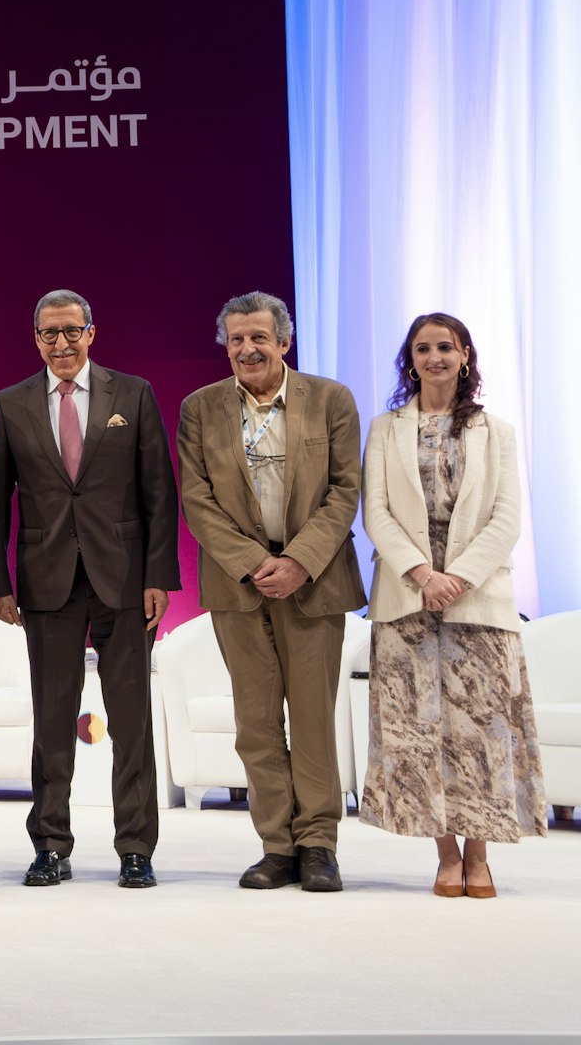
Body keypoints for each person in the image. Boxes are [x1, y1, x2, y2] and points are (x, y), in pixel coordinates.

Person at [0, 290, 180, 889]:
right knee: (51, 719)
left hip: (124, 580)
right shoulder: (10, 403)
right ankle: (50, 845)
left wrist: (158, 578)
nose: (61, 344)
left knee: (131, 720)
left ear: (92, 332)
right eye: (49, 334)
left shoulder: (133, 394)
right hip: (46, 583)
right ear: (34, 339)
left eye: (71, 331)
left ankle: (136, 847)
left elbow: (159, 494)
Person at [176, 291, 365, 892]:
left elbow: (344, 492)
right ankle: (276, 846)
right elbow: (197, 499)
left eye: (259, 338)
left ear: (284, 342)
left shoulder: (331, 399)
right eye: (236, 340)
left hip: (315, 582)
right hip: (240, 585)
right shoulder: (199, 408)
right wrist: (257, 562)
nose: (247, 349)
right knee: (255, 722)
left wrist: (299, 562)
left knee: (312, 719)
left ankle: (318, 844)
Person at [359, 313, 545, 896]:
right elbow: (378, 512)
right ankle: (443, 853)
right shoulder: (385, 428)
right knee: (418, 730)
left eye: (445, 347)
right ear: (409, 359)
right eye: (423, 348)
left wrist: (455, 578)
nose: (434, 357)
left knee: (481, 731)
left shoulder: (498, 430)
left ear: (465, 355)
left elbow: (506, 518)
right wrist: (420, 573)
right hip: (405, 599)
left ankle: (480, 853)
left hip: (479, 598)